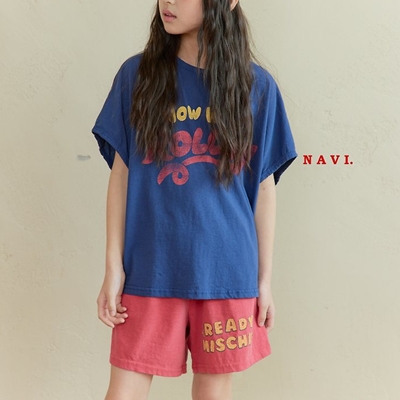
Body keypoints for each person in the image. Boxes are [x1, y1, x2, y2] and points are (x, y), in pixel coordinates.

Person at [91, 0, 297, 399]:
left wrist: (263, 281)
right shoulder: (137, 76)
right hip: (150, 268)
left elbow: (264, 190)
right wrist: (113, 268)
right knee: (124, 390)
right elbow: (121, 176)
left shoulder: (257, 87)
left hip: (227, 273)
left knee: (213, 392)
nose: (167, 1)